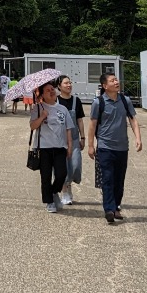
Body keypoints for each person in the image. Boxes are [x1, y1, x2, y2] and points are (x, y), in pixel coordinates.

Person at [88, 73, 142, 224]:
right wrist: (91, 145)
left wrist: (138, 138)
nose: (116, 82)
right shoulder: (98, 103)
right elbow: (92, 124)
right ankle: (109, 210)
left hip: (122, 147)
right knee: (108, 179)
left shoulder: (125, 100)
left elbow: (133, 120)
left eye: (116, 79)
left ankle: (116, 206)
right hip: (105, 146)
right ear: (105, 86)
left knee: (119, 180)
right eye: (112, 81)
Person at [29, 80, 74, 212]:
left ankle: (54, 192)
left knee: (61, 174)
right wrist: (42, 116)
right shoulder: (38, 108)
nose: (52, 91)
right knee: (46, 176)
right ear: (42, 94)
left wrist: (69, 145)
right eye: (48, 90)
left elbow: (68, 128)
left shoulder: (62, 109)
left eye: (52, 89)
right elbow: (33, 126)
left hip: (60, 147)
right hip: (44, 147)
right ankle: (49, 201)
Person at [55, 75, 85, 205]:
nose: (69, 85)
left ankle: (69, 185)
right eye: (66, 83)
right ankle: (65, 191)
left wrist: (83, 137)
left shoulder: (76, 101)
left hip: (74, 138)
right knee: (62, 168)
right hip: (59, 140)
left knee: (76, 166)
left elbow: (79, 119)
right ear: (59, 86)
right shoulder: (55, 101)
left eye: (70, 83)